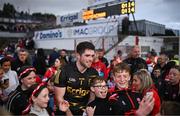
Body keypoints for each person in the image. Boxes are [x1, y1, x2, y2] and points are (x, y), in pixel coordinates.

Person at [54, 41, 98, 115]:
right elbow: (59, 98)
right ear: (78, 55)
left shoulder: (94, 73)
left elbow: (92, 98)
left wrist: (86, 113)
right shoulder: (64, 71)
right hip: (65, 111)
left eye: (92, 56)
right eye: (87, 55)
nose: (91, 59)